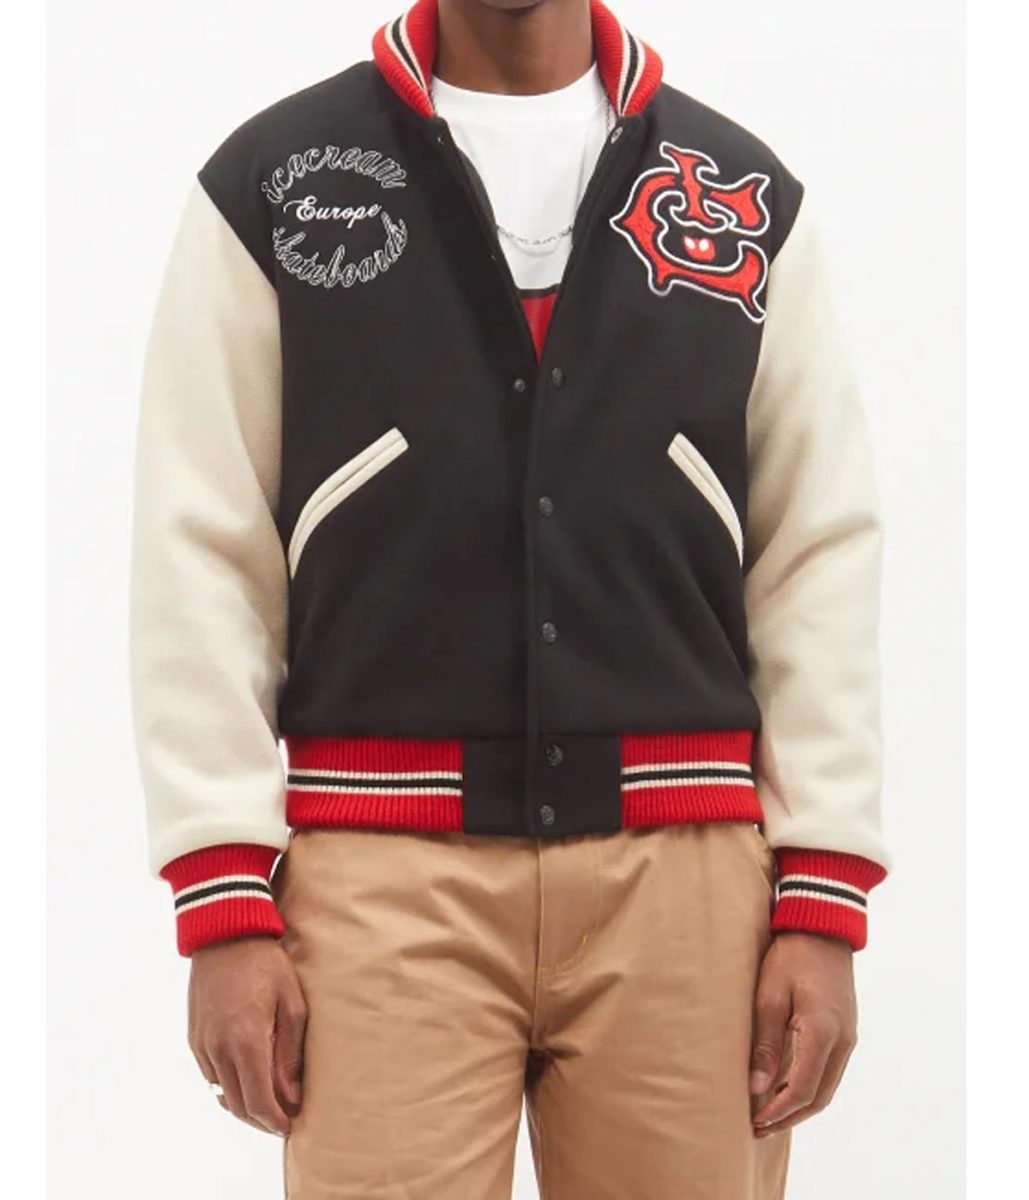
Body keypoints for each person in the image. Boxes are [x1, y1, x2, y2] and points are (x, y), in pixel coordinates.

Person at [129, 1, 890, 1196]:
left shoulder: (738, 197)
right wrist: (222, 895)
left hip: (684, 877)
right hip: (379, 876)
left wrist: (822, 896)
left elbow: (817, 555)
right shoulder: (273, 185)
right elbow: (199, 548)